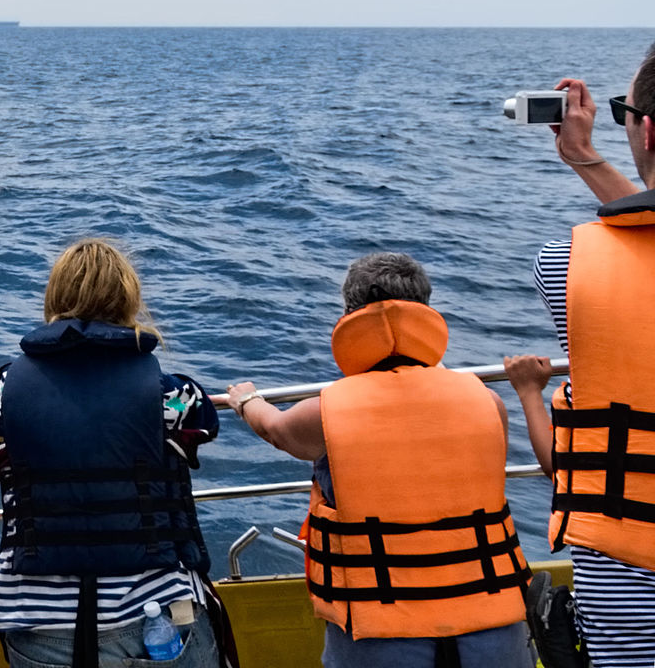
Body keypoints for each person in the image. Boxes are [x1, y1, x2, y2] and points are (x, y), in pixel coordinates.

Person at [226, 253, 533, 668]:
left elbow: (276, 430)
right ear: (426, 312)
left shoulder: (327, 411)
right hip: (494, 623)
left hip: (381, 631)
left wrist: (247, 399)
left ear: (349, 316)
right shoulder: (487, 400)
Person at [0, 239, 223, 668]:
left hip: (38, 624)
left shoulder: (5, 390)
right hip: (153, 616)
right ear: (128, 299)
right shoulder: (172, 393)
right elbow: (205, 425)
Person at [501, 49, 655, 667]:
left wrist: (584, 155)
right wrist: (586, 161)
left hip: (628, 574)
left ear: (645, 129)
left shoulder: (564, 265)